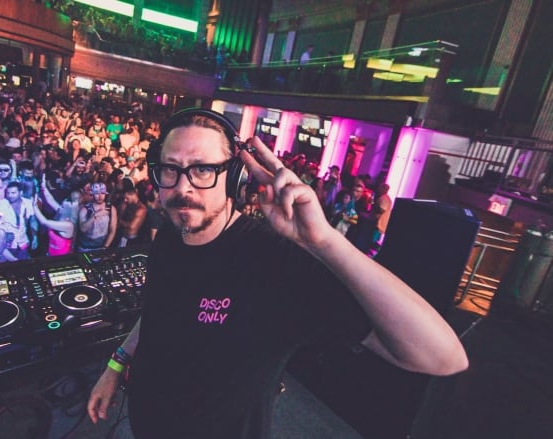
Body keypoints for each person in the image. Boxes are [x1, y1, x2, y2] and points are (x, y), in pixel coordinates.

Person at [87, 109, 467, 438]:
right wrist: (116, 364)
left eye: (202, 169)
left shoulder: (277, 264)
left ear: (235, 176)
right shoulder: (173, 233)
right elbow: (157, 307)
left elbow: (443, 357)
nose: (183, 187)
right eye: (171, 169)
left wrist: (324, 242)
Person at [76, 182, 117, 252]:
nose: (100, 196)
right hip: (85, 247)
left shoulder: (110, 208)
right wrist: (95, 216)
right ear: (93, 194)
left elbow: (112, 230)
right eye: (97, 193)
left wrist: (105, 248)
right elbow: (82, 229)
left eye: (102, 193)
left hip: (101, 246)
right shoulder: (85, 209)